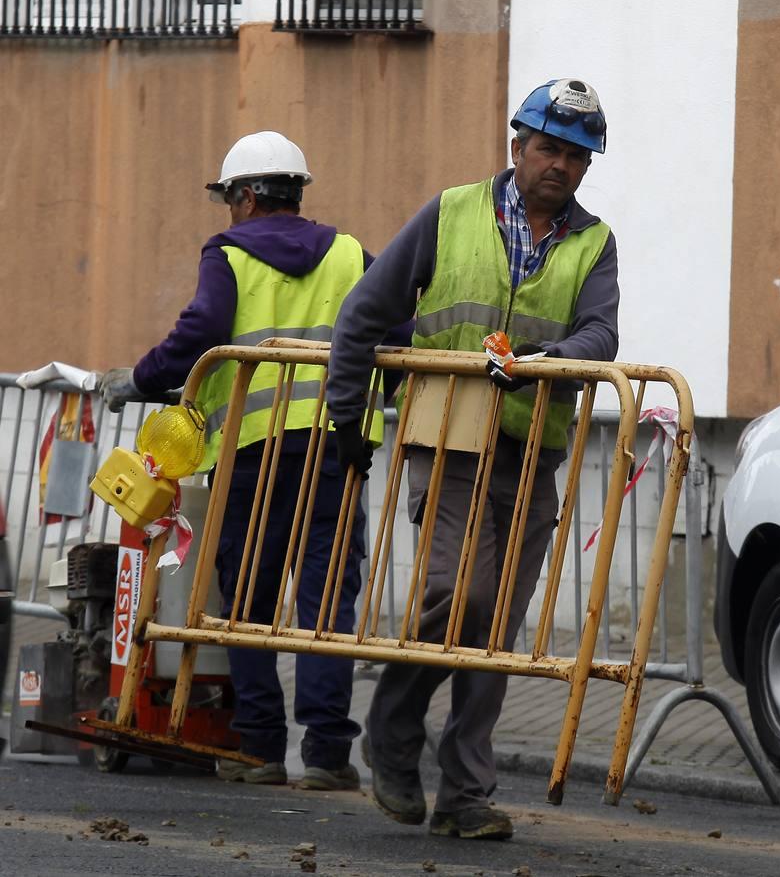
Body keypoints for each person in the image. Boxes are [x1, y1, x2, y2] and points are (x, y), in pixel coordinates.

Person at [325, 77, 618, 840]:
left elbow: (600, 335)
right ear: (517, 146)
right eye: (549, 147)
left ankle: (465, 794)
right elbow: (364, 313)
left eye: (577, 155)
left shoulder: (593, 242)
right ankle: (393, 728)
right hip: (449, 439)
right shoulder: (453, 212)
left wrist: (543, 357)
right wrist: (347, 414)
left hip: (531, 455)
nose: (561, 165)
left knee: (494, 632)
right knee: (463, 594)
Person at [100, 131, 407, 790]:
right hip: (334, 448)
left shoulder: (229, 253)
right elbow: (400, 333)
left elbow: (203, 328)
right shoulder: (351, 254)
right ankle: (327, 755)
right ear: (295, 193)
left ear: (243, 197)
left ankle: (260, 749)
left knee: (247, 601)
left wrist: (144, 377)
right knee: (326, 603)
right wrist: (378, 401)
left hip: (253, 450)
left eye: (228, 199)